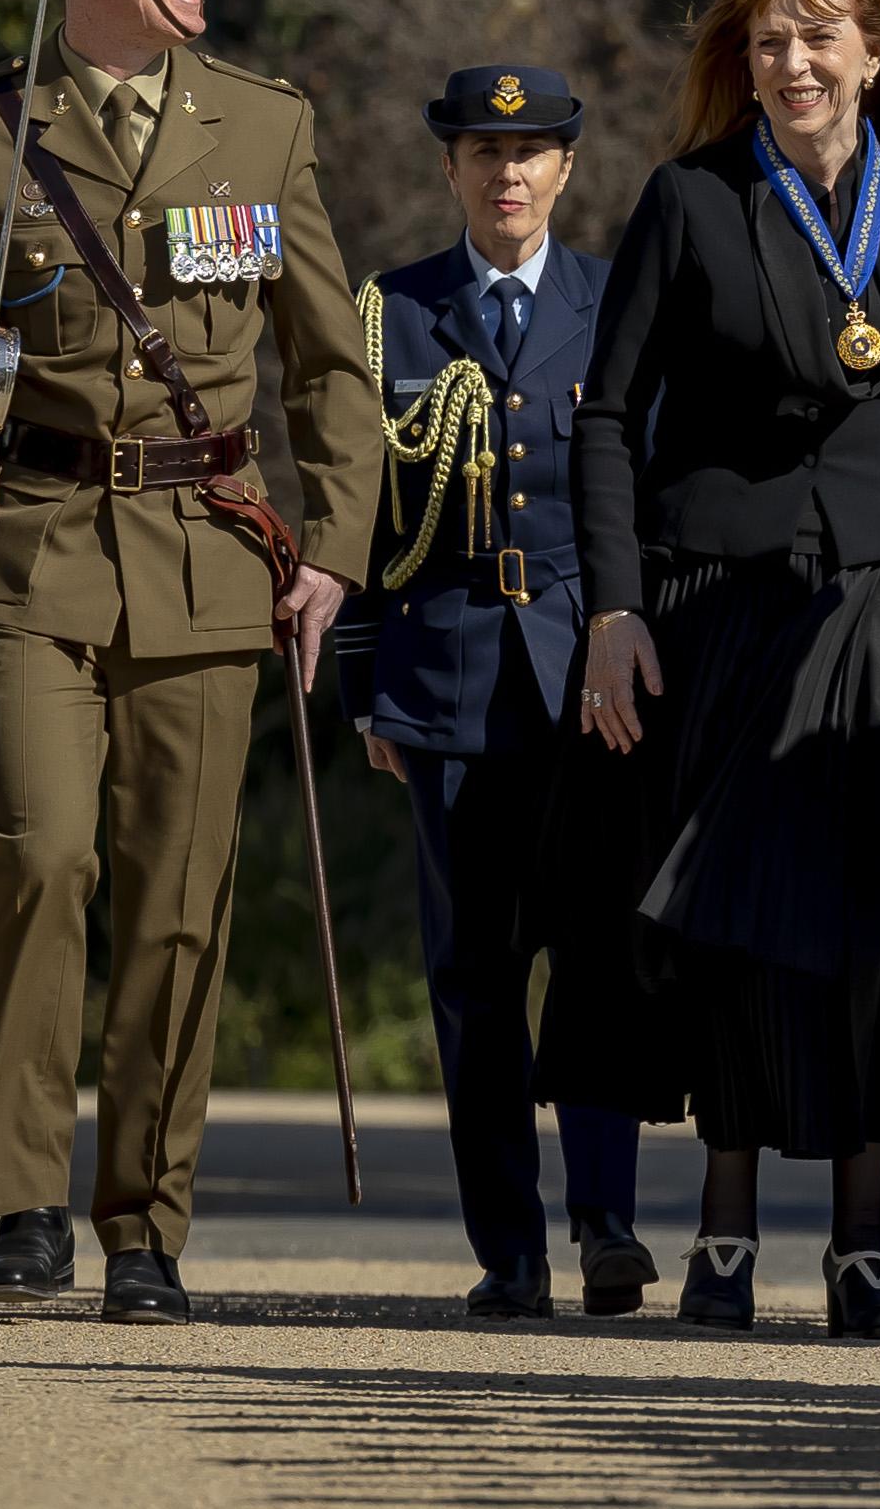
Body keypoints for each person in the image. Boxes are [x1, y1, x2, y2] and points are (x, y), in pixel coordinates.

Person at [552, 0, 880, 1342]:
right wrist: (609, 608)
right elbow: (607, 418)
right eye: (769, 41)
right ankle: (724, 1233)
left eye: (818, 36)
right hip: (722, 598)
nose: (792, 62)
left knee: (873, 929)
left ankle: (863, 1243)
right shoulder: (691, 199)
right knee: (732, 917)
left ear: (873, 53)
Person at [0, 0, 380, 1325]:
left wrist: (340, 554)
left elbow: (329, 364)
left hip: (204, 558)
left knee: (181, 898)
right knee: (43, 856)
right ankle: (28, 1200)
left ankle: (144, 1223)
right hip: (38, 548)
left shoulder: (267, 124)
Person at [330, 65, 651, 1319]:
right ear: (450, 168)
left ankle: (607, 1221)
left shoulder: (615, 302)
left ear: (566, 169)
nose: (505, 172)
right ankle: (509, 1245)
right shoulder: (393, 312)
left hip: (587, 676)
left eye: (529, 152)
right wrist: (366, 691)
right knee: (472, 972)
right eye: (481, 151)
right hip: (448, 671)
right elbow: (357, 513)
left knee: (599, 953)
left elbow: (646, 499)